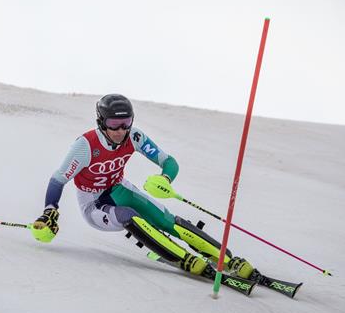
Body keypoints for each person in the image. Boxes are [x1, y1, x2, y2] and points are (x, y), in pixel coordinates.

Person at [32, 93, 255, 279]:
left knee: (166, 220)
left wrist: (165, 179)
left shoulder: (134, 136)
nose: (120, 130)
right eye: (113, 124)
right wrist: (49, 210)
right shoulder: (85, 145)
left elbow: (169, 162)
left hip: (119, 189)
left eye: (126, 123)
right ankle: (183, 258)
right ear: (101, 121)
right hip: (93, 203)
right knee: (129, 215)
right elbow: (58, 179)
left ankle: (227, 259)